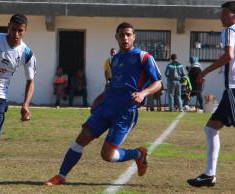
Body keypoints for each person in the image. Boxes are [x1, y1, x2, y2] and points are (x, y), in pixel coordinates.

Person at [45, 22, 162, 186]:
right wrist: (99, 99)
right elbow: (113, 84)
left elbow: (158, 83)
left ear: (134, 36)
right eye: (121, 35)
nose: (125, 38)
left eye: (128, 34)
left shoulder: (143, 57)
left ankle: (138, 154)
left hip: (125, 112)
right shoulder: (114, 60)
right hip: (106, 108)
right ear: (116, 38)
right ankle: (61, 175)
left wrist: (143, 93)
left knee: (107, 155)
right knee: (81, 138)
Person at [187, 1, 235, 187]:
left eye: (224, 13)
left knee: (211, 128)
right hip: (231, 89)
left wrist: (204, 72)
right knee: (211, 128)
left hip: (233, 88)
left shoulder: (230, 31)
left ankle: (209, 174)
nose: (221, 17)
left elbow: (228, 56)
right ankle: (209, 175)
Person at [0, 14, 36, 163]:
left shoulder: (27, 53)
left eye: (20, 30)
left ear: (25, 30)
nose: (16, 34)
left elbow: (31, 81)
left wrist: (25, 105)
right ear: (8, 26)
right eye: (13, 29)